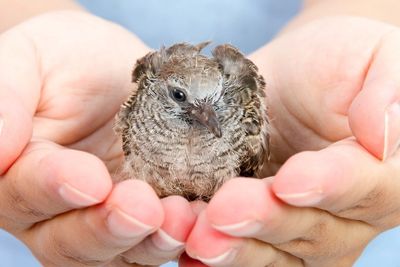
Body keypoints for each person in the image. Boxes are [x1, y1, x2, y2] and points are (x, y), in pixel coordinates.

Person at [0, 0, 399, 266]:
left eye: (213, 102)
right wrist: (26, 24)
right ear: (161, 91)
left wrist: (366, 17)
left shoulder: (235, 121)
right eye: (181, 98)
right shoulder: (137, 110)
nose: (205, 115)